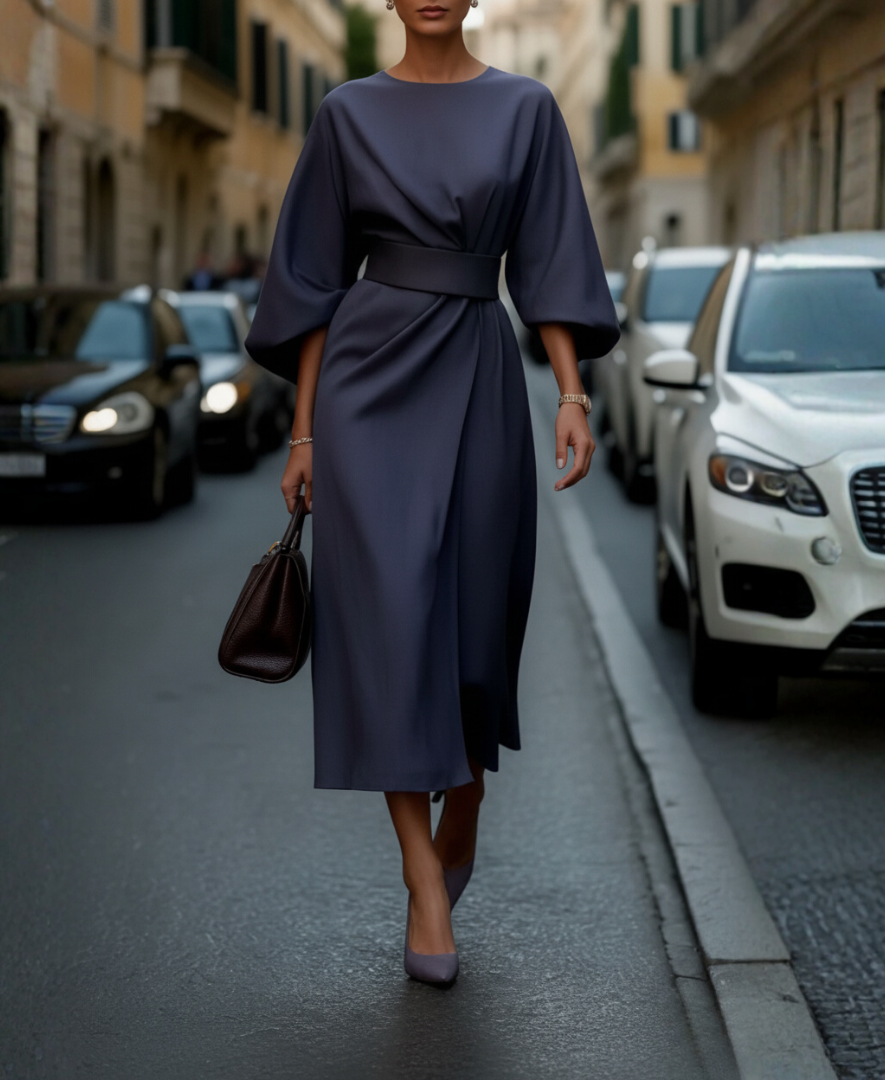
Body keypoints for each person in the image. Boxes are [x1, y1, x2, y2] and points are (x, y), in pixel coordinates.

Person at [245, 0, 618, 987]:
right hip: (367, 388)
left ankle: (471, 793)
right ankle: (422, 881)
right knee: (388, 623)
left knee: (474, 612)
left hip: (482, 371)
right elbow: (315, 284)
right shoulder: (344, 115)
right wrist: (305, 429)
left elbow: (548, 256)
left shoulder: (528, 108)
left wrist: (571, 392)